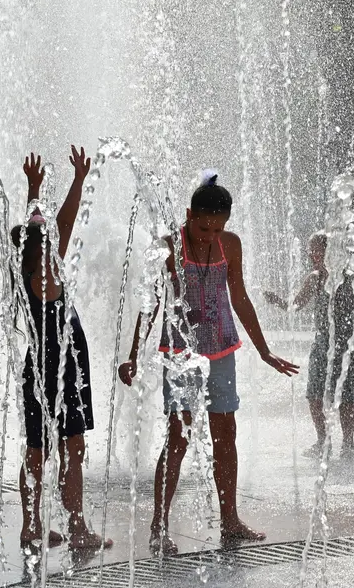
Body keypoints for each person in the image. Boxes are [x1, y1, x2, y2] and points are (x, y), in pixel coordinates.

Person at [117, 171, 299, 556]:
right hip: (180, 355)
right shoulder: (169, 247)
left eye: (217, 229)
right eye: (203, 227)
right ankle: (159, 525)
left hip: (222, 351)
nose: (209, 236)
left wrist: (264, 351)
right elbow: (149, 307)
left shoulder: (230, 246)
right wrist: (133, 355)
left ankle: (230, 519)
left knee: (225, 435)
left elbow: (241, 299)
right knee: (178, 438)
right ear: (188, 214)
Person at [13, 148, 111, 554]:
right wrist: (78, 182)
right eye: (51, 239)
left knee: (38, 448)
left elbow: (37, 230)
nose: (58, 239)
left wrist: (34, 189)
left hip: (40, 366)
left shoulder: (27, 268)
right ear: (45, 247)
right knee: (72, 449)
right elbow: (63, 225)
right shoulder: (47, 272)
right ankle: (77, 529)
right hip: (63, 370)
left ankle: (32, 527)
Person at [264, 231, 354, 460]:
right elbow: (295, 306)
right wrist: (277, 301)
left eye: (315, 248)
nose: (310, 253)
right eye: (310, 249)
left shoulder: (351, 276)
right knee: (314, 394)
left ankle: (348, 444)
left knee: (346, 396)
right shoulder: (315, 278)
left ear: (329, 251)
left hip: (347, 345)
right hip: (322, 343)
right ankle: (323, 441)